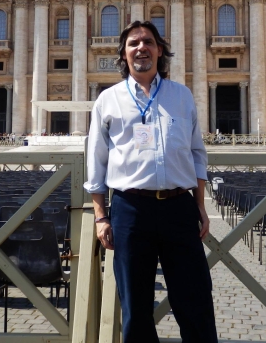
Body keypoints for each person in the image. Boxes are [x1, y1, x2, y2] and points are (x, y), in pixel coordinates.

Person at [86, 20, 218, 343]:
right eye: (133, 43)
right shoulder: (108, 100)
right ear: (123, 54)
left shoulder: (181, 96)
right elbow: (95, 162)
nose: (141, 47)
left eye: (148, 41)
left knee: (195, 300)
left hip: (178, 207)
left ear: (160, 51)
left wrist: (200, 204)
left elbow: (197, 154)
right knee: (135, 306)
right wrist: (101, 215)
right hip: (130, 210)